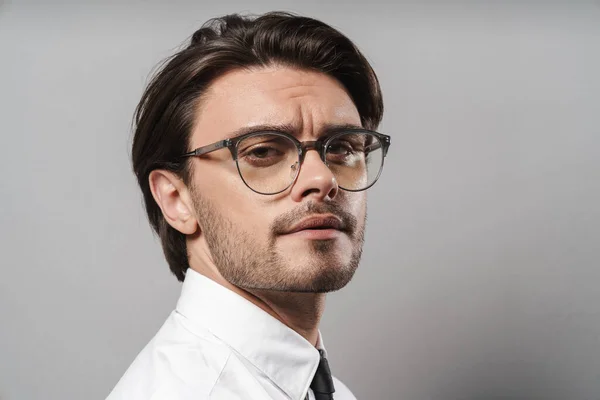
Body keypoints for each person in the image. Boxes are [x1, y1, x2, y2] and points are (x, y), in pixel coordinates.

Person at [107, 11, 389, 400]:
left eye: (342, 148)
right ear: (177, 200)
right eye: (262, 151)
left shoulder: (330, 392)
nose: (321, 178)